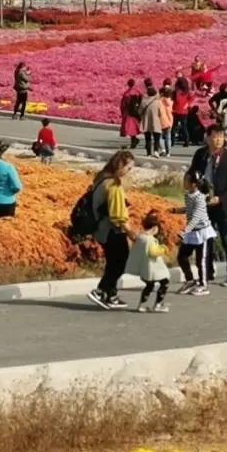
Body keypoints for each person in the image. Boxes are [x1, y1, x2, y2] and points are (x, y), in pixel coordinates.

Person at [190, 126, 227, 287]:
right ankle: (208, 272)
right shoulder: (201, 154)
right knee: (206, 239)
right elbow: (193, 173)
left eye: (221, 137)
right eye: (215, 136)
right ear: (208, 138)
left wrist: (220, 197)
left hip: (222, 204)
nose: (218, 140)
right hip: (204, 203)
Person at [87, 149, 135, 309]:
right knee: (121, 262)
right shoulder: (114, 184)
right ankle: (101, 290)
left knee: (113, 262)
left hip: (101, 229)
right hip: (112, 230)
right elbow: (117, 215)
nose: (129, 172)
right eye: (128, 168)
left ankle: (110, 294)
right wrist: (131, 232)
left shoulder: (101, 178)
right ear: (120, 165)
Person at [177, 169, 216, 295]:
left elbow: (196, 217)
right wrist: (175, 210)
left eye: (186, 180)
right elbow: (188, 210)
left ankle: (203, 285)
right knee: (182, 256)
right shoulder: (188, 195)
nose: (184, 182)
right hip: (192, 232)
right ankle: (189, 280)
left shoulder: (200, 198)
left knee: (201, 261)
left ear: (194, 184)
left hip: (202, 232)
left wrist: (185, 231)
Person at [128, 211, 171, 313]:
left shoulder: (140, 238)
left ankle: (141, 305)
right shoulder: (150, 240)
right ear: (154, 228)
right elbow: (153, 252)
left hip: (144, 269)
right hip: (153, 269)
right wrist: (163, 248)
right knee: (165, 283)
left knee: (149, 286)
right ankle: (158, 305)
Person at [140, 86, 164, 158]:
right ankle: (156, 151)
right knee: (156, 137)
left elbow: (140, 111)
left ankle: (148, 153)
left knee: (148, 138)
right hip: (156, 122)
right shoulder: (158, 102)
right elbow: (161, 113)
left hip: (146, 121)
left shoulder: (143, 101)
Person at [120, 79, 142, 148]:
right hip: (136, 113)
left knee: (129, 128)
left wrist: (123, 112)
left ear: (128, 84)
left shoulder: (126, 94)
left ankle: (134, 140)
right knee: (134, 128)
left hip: (128, 113)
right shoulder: (138, 92)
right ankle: (134, 140)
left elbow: (123, 104)